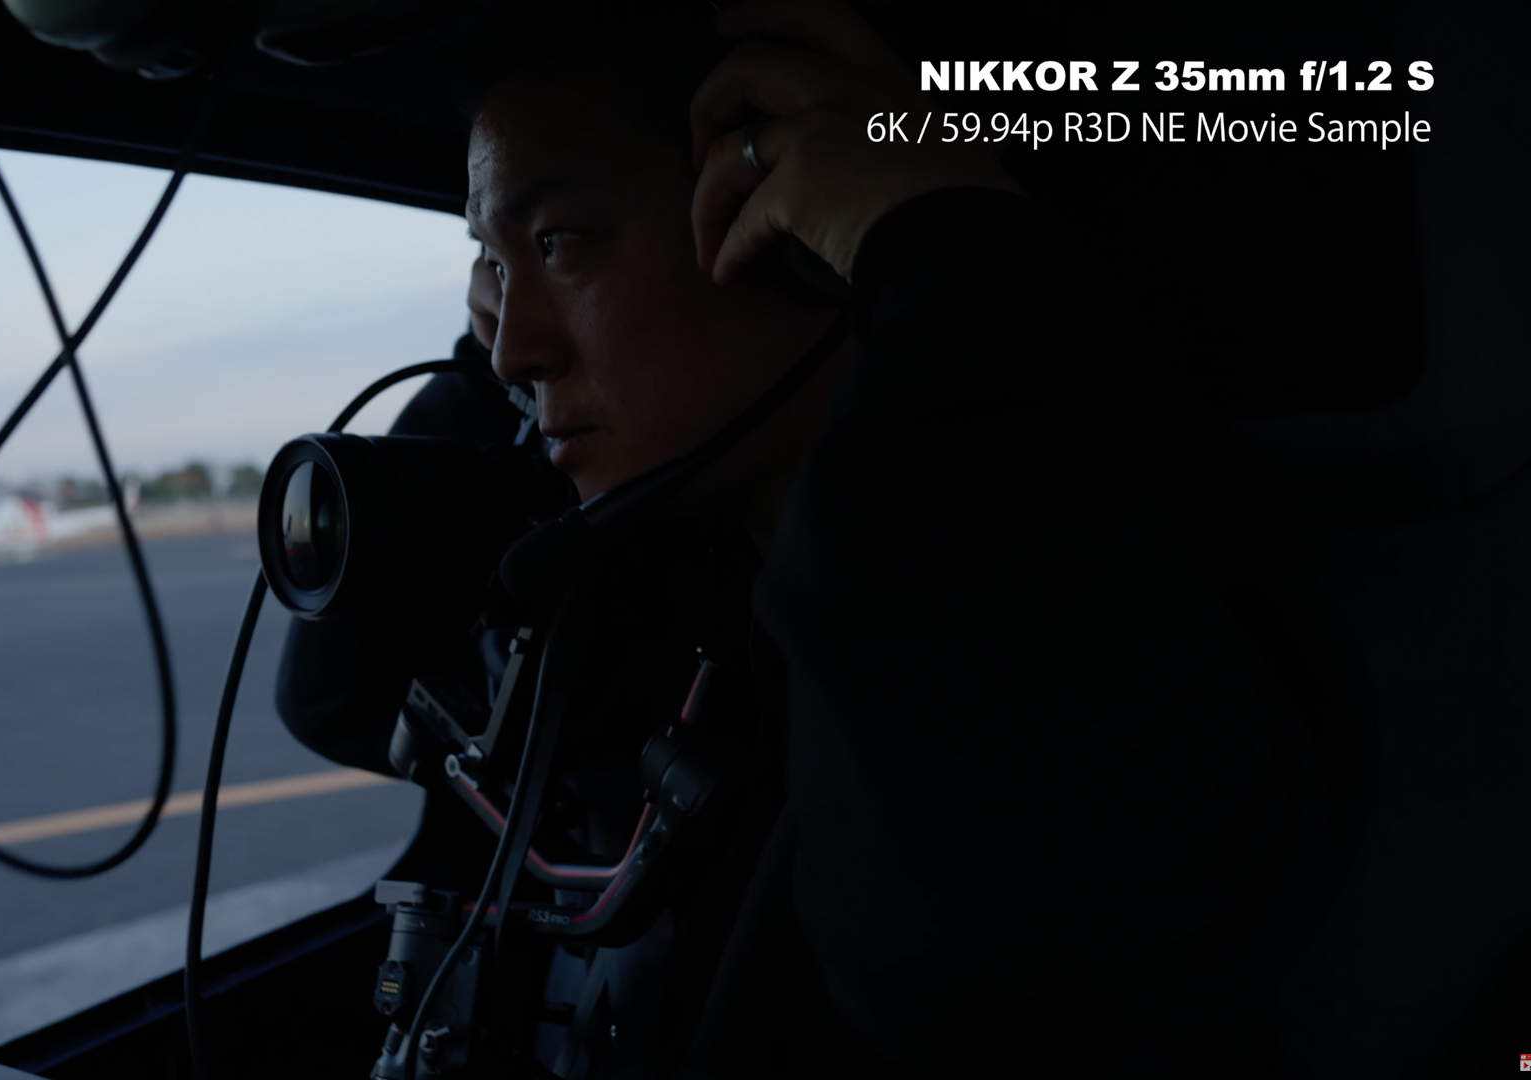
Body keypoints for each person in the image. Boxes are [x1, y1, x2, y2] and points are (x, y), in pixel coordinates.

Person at [453, 1, 1362, 1077]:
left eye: (558, 242)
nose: (513, 351)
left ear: (793, 227)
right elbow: (333, 695)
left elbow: (993, 976)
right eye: (491, 268)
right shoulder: (658, 602)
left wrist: (940, 239)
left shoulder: (1011, 584)